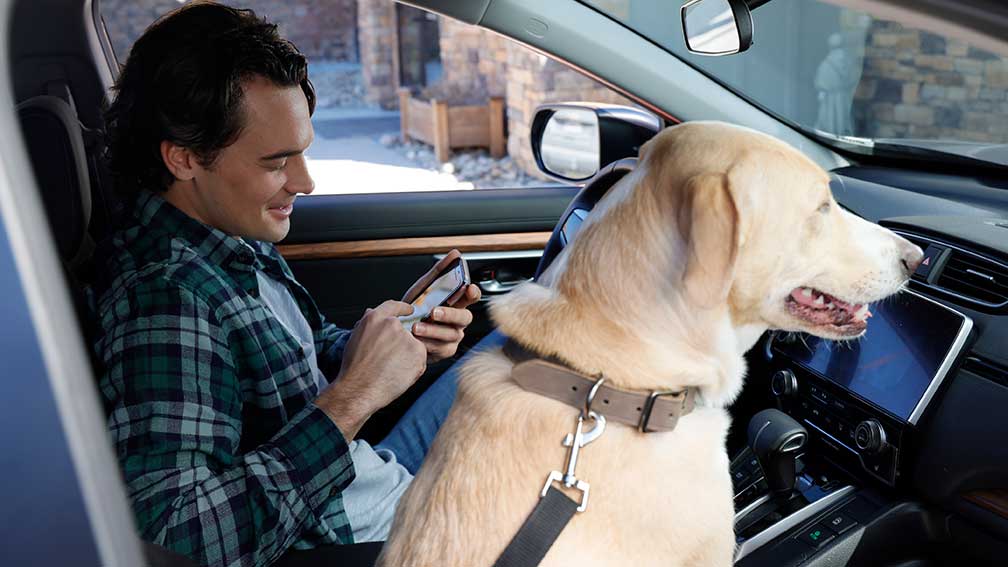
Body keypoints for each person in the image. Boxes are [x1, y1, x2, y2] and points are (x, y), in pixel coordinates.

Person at [89, 3, 485, 565]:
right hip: (368, 538)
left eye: (303, 152)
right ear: (183, 159)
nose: (305, 181)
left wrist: (389, 343)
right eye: (277, 162)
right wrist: (353, 399)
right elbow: (176, 538)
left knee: (509, 362)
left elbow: (295, 363)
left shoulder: (231, 235)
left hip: (365, 477)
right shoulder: (170, 300)